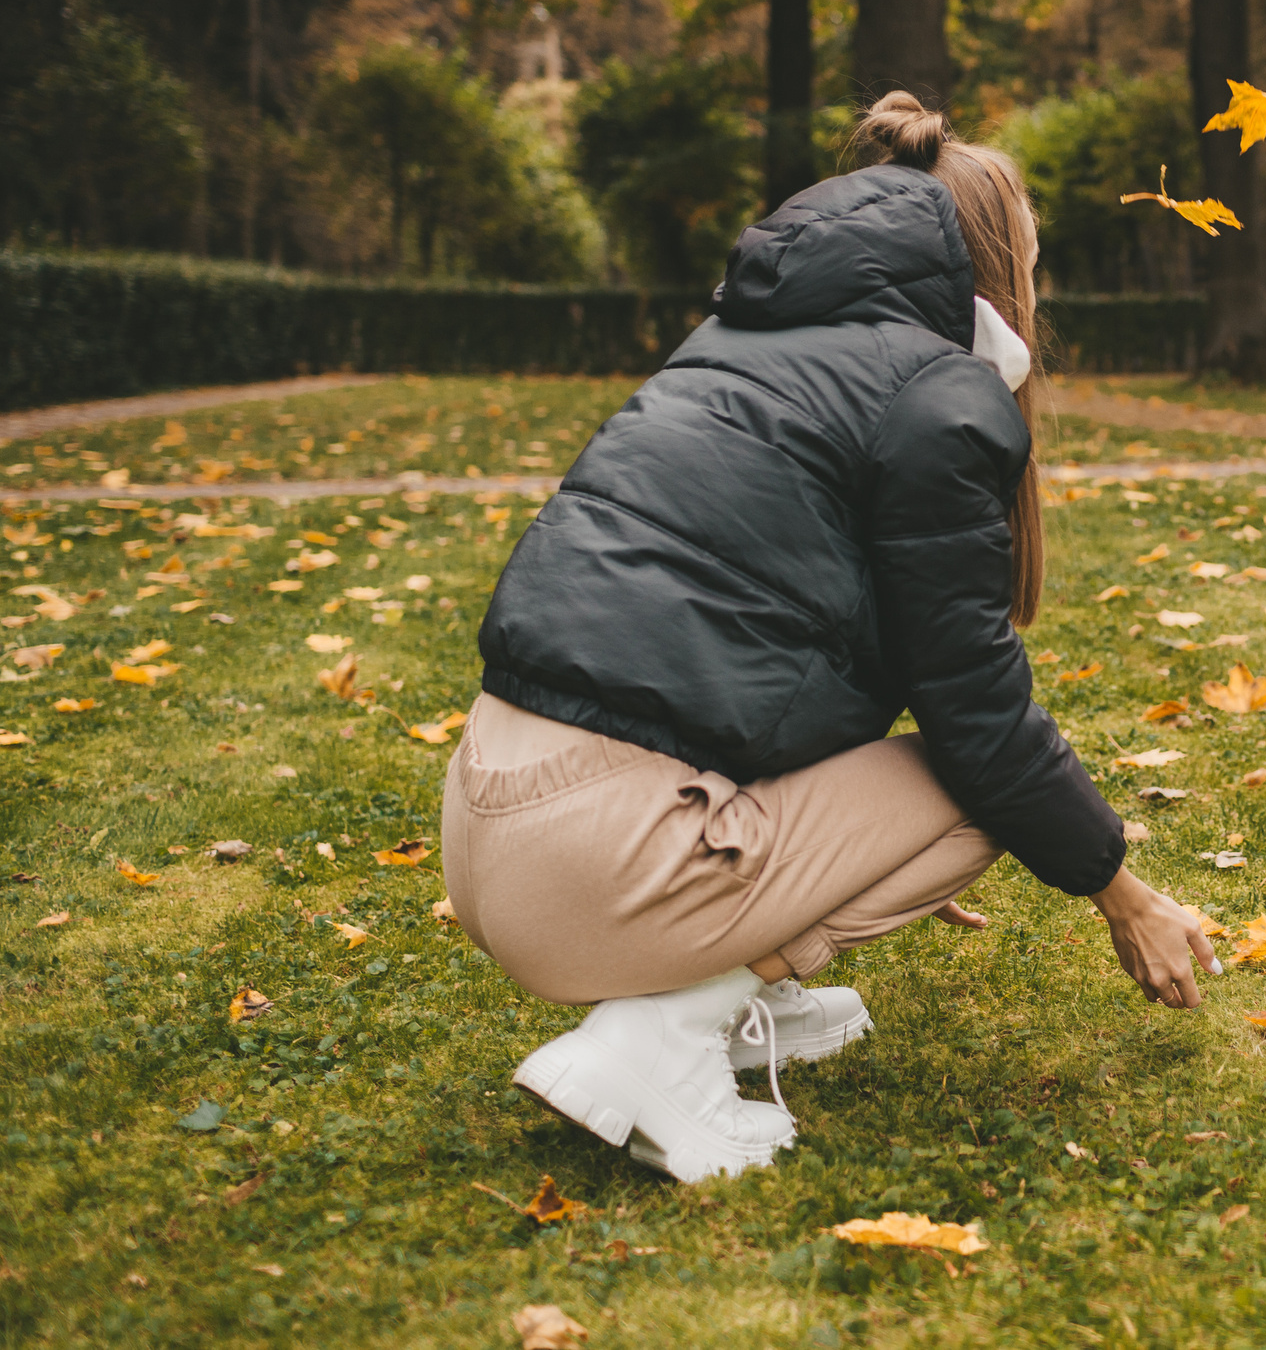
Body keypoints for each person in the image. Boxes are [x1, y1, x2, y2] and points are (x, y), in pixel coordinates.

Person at [442, 92, 1220, 1183]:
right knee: (974, 785)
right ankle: (659, 1038)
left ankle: (744, 994)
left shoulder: (748, 338)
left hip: (487, 819)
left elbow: (757, 635)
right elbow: (979, 717)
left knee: (944, 769)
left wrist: (847, 828)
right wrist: (1121, 893)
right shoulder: (934, 396)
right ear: (995, 271)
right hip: (588, 861)